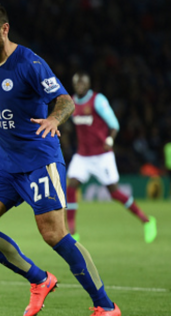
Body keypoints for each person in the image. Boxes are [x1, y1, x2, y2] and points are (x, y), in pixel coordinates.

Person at [0, 0, 121, 316]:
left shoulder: (29, 63)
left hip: (41, 161)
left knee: (54, 234)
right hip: (7, 165)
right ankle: (39, 279)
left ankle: (105, 306)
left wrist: (54, 119)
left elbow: (65, 100)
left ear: (4, 29)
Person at [66, 72, 157, 243]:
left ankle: (147, 220)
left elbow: (114, 124)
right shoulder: (71, 103)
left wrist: (110, 139)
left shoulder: (98, 100)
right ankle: (72, 233)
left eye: (83, 83)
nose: (80, 86)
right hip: (83, 155)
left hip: (102, 155)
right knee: (71, 188)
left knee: (114, 192)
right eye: (77, 84)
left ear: (89, 84)